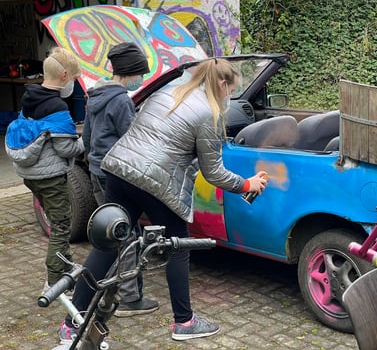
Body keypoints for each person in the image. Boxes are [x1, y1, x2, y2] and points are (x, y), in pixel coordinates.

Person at [58, 58, 268, 344]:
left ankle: (72, 322)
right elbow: (214, 172)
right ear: (222, 84)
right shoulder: (209, 113)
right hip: (156, 183)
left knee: (107, 245)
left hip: (120, 170)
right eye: (231, 91)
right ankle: (184, 322)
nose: (229, 97)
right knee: (178, 247)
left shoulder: (166, 93)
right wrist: (247, 184)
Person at [81, 42, 159, 317]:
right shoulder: (122, 101)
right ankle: (129, 298)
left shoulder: (95, 96)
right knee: (126, 235)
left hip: (97, 170)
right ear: (131, 72)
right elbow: (132, 142)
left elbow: (87, 138)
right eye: (141, 74)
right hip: (115, 175)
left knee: (109, 232)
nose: (142, 79)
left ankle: (105, 288)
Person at [4, 47, 84, 292]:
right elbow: (65, 149)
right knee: (61, 225)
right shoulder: (57, 106)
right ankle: (54, 280)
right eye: (74, 78)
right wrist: (85, 141)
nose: (74, 84)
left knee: (57, 218)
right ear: (64, 76)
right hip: (50, 176)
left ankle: (66, 265)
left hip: (30, 174)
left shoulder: (30, 95)